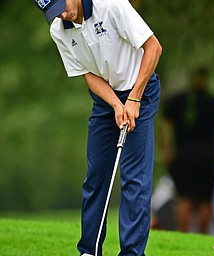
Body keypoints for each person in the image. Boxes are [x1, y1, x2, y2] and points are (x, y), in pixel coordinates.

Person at [33, 0, 162, 255]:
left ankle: (132, 253)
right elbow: (88, 75)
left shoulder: (111, 5)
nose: (61, 14)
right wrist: (116, 105)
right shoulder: (58, 28)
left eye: (61, 4)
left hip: (141, 91)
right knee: (96, 176)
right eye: (52, 11)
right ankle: (88, 251)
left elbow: (153, 48)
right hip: (106, 101)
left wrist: (133, 99)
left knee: (134, 179)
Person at [162, 66, 214, 233]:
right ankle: (202, 235)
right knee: (205, 201)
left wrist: (167, 150)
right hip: (208, 156)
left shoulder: (178, 101)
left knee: (185, 197)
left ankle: (184, 234)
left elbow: (165, 128)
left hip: (184, 155)